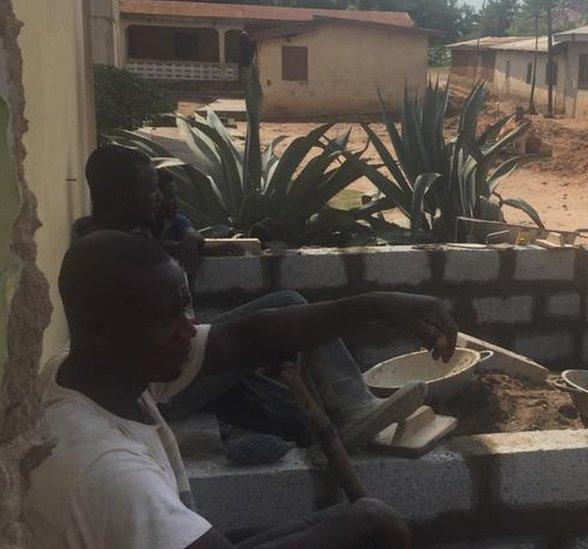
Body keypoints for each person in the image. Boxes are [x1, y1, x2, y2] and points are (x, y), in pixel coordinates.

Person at [26, 230, 458, 548]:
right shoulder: (103, 469)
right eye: (165, 321)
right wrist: (348, 526)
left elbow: (243, 339)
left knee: (356, 519)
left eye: (186, 310)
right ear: (98, 328)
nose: (187, 331)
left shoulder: (89, 370)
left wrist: (377, 304)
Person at [74, 144, 428, 451]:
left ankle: (349, 420)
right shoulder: (116, 261)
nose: (160, 199)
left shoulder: (105, 246)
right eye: (151, 190)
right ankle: (354, 407)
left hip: (171, 372)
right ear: (124, 196)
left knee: (288, 410)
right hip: (162, 387)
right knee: (287, 305)